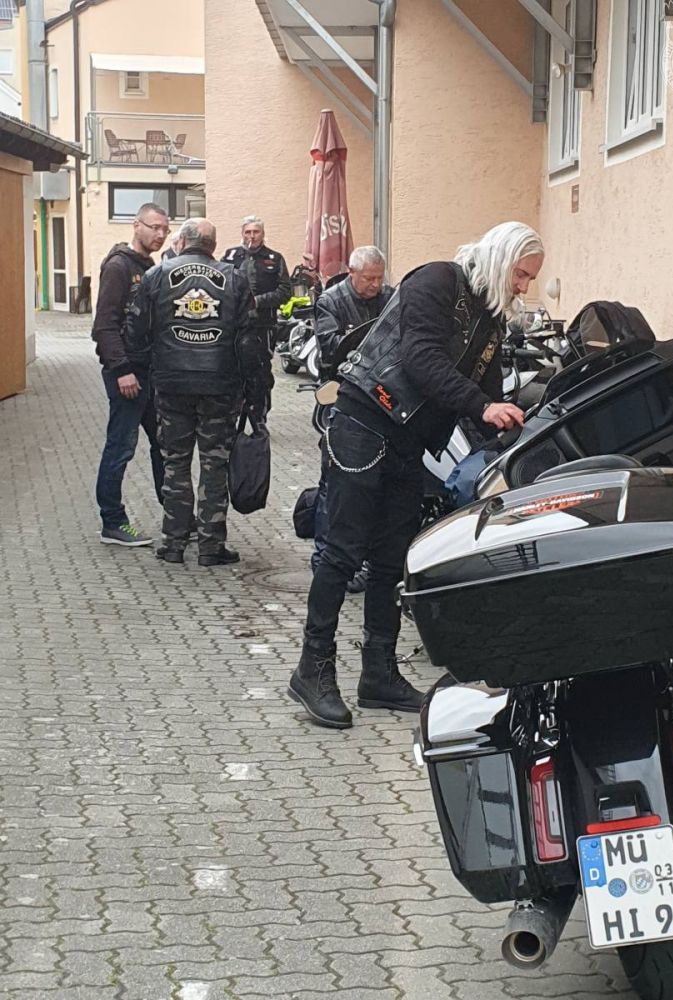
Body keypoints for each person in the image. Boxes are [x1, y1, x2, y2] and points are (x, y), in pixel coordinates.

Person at [288, 221, 544, 729]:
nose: (523, 286)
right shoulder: (437, 281)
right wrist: (485, 406)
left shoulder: (489, 318)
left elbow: (485, 393)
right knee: (341, 552)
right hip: (363, 420)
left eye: (529, 279)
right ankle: (312, 669)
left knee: (391, 559)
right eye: (521, 274)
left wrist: (523, 426)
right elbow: (421, 358)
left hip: (407, 441)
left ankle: (378, 672)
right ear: (499, 260)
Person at [126, 219, 263, 566]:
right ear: (213, 245)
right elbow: (250, 339)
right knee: (215, 465)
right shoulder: (234, 278)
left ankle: (173, 544)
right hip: (220, 386)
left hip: (172, 386)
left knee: (175, 463)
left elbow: (135, 331)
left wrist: (153, 364)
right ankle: (210, 546)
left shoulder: (157, 275)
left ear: (183, 241)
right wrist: (255, 388)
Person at [312, 246, 395, 591]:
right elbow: (329, 347)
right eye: (368, 278)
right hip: (341, 394)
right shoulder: (331, 301)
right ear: (352, 273)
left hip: (382, 398)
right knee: (333, 481)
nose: (375, 285)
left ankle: (366, 559)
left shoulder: (389, 297)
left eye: (379, 278)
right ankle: (324, 557)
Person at [93, 202, 169, 546]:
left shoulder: (148, 266)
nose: (160, 234)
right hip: (127, 375)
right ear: (136, 226)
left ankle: (176, 514)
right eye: (155, 227)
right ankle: (112, 522)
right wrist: (122, 370)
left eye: (165, 229)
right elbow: (104, 325)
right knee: (121, 447)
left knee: (164, 444)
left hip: (149, 373)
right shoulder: (119, 267)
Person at [222, 215, 291, 418]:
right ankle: (234, 416)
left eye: (256, 232)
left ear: (263, 234)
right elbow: (220, 285)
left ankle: (259, 418)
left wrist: (257, 301)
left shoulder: (275, 258)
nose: (251, 236)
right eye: (248, 232)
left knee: (261, 374)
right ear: (242, 234)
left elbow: (285, 291)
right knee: (233, 371)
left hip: (263, 326)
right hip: (235, 326)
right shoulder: (230, 256)